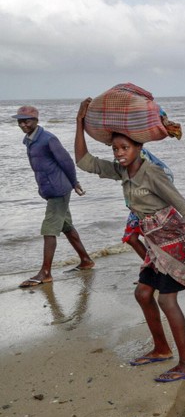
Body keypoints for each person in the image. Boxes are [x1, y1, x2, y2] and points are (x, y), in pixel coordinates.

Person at [74, 98, 185, 382]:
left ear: (139, 148)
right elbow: (84, 162)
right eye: (115, 149)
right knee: (143, 293)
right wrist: (79, 123)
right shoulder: (122, 170)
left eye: (125, 148)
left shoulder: (152, 172)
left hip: (173, 239)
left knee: (168, 301)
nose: (119, 153)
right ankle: (162, 349)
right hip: (153, 240)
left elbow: (182, 204)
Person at [14, 105, 93, 288]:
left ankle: (45, 273)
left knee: (49, 229)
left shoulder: (48, 139)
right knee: (66, 226)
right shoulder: (29, 140)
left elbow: (66, 162)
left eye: (26, 120)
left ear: (36, 120)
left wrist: (75, 184)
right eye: (20, 121)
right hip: (50, 190)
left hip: (59, 190)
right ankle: (86, 260)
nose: (23, 124)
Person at [122, 148, 175, 261]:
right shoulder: (124, 152)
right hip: (138, 205)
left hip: (148, 204)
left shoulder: (136, 153)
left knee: (153, 238)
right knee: (132, 237)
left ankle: (158, 267)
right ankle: (154, 266)